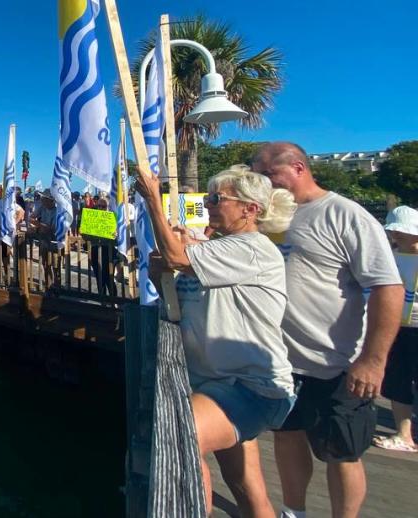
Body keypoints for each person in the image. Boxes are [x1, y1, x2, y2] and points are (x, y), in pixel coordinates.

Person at [135, 164, 298, 517]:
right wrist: (159, 268)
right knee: (246, 490)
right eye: (208, 197)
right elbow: (175, 296)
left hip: (250, 386)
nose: (208, 204)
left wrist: (152, 201)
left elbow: (179, 257)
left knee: (179, 437)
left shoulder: (253, 249)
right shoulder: (217, 251)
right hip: (214, 384)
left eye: (217, 198)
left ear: (249, 209)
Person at [251, 142, 404, 518]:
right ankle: (294, 511)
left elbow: (389, 287)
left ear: (299, 168)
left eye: (268, 174)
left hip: (337, 362)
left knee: (342, 452)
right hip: (281, 361)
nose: (263, 183)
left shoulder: (345, 215)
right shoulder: (268, 216)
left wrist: (372, 360)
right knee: (287, 438)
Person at [373, 205, 418, 453]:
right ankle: (404, 434)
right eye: (393, 231)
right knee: (398, 379)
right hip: (396, 326)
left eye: (402, 231)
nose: (396, 235)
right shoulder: (389, 256)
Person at [31, 189, 60, 292]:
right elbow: (32, 217)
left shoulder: (57, 210)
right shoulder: (41, 207)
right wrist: (40, 225)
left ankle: (56, 285)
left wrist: (38, 224)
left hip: (55, 240)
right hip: (44, 238)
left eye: (44, 198)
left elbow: (51, 228)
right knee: (45, 263)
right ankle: (48, 285)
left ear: (50, 200)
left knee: (56, 264)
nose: (42, 199)